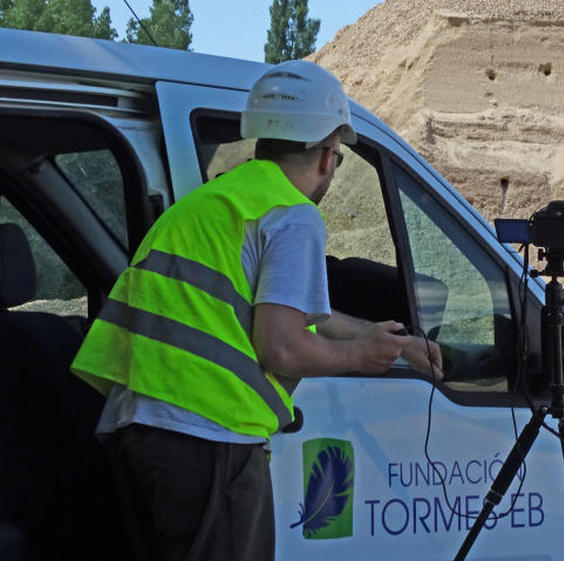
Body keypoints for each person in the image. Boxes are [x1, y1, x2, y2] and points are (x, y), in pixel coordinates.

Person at [70, 60, 442, 561]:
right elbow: (282, 346)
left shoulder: (212, 204)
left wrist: (384, 338)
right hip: (209, 438)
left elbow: (294, 311)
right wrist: (360, 355)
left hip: (141, 430)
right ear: (330, 155)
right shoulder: (291, 214)